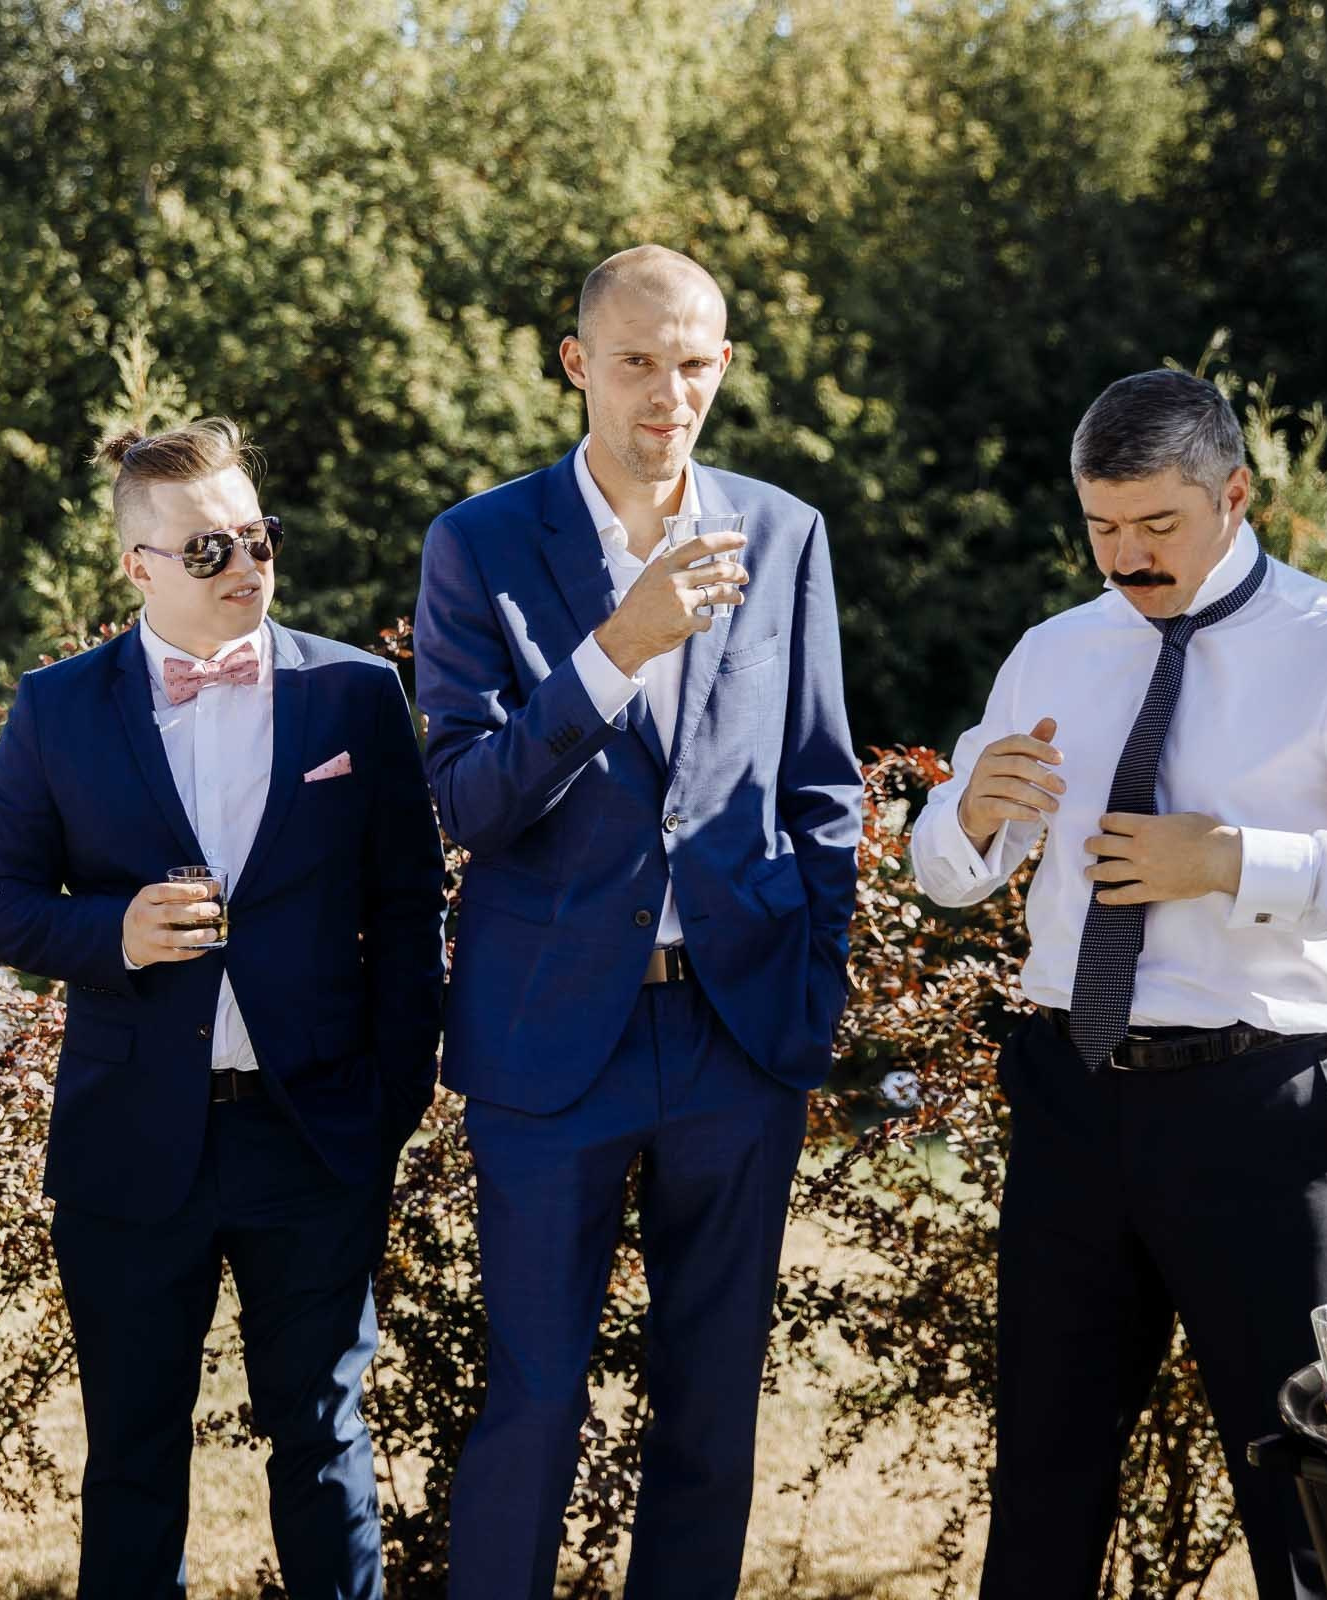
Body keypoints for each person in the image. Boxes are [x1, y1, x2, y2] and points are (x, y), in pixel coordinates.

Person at [909, 369, 1327, 1600]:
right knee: (1041, 1484)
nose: (1126, 560)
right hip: (1072, 1101)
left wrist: (1231, 860)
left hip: (1262, 1112)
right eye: (1102, 529)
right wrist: (964, 814)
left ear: (1235, 495)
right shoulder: (1053, 653)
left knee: (1310, 1494)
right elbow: (952, 874)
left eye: (1156, 527)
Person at [411, 245, 862, 1598]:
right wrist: (618, 647)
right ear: (576, 366)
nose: (670, 393)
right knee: (536, 1405)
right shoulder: (478, 545)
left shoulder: (785, 534)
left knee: (714, 1413)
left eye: (696, 361)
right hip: (551, 1045)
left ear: (724, 361)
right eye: (637, 362)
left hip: (737, 1032)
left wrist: (813, 987)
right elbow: (468, 802)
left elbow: (824, 783)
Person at [0, 417, 447, 1600]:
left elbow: (408, 902)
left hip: (315, 1132)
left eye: (257, 539)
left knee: (325, 1442)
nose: (247, 568)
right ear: (139, 567)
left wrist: (389, 1103)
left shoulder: (356, 694)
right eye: (209, 550)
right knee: (131, 1458)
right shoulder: (59, 706)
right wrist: (108, 930)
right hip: (131, 1138)